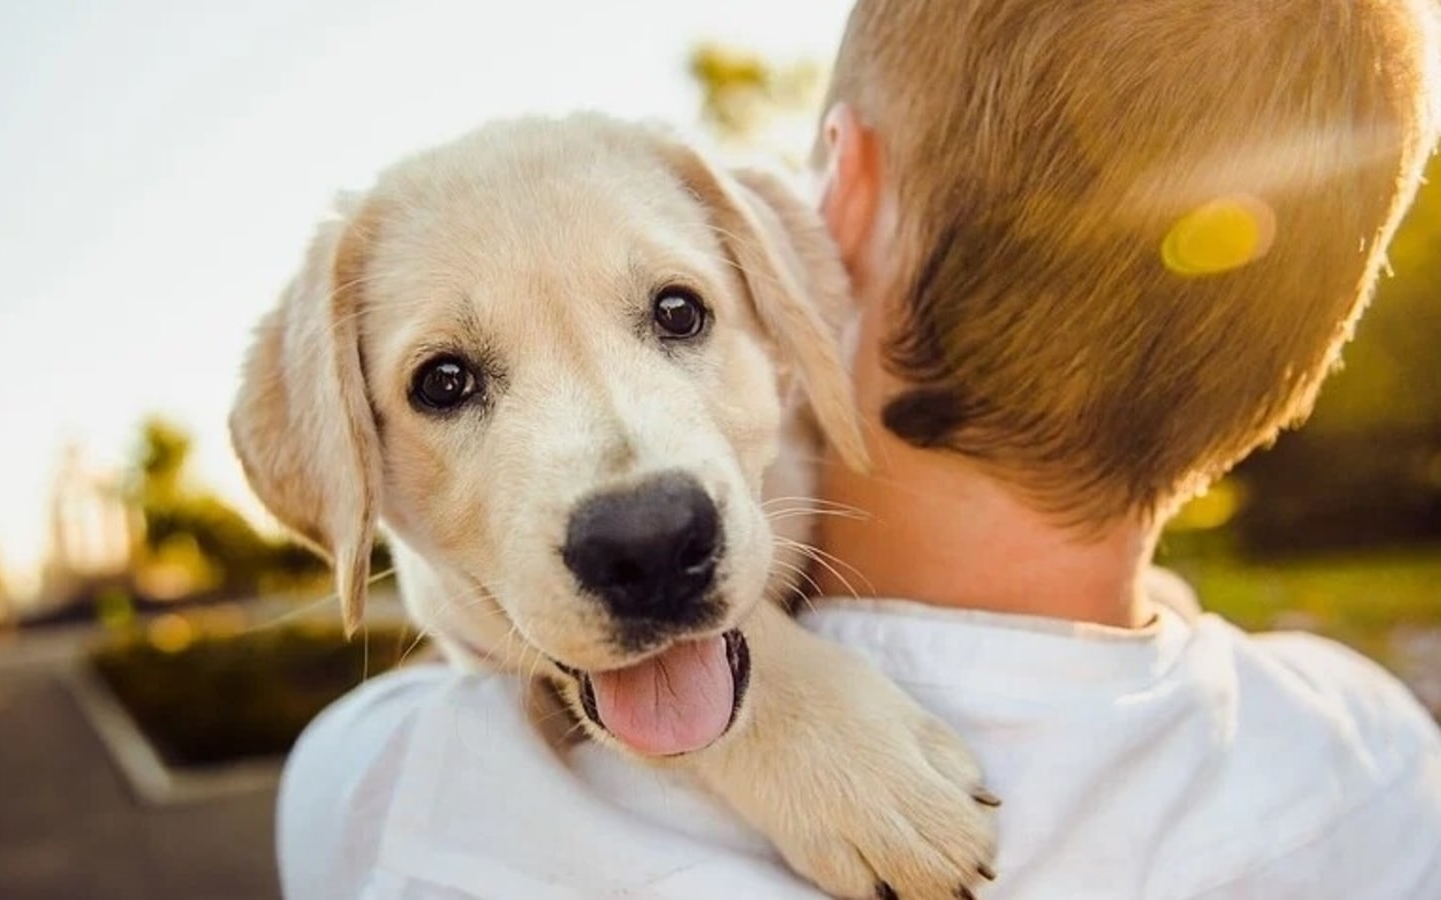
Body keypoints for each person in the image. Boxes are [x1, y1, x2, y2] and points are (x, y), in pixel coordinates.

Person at [276, 0, 1441, 897]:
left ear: (835, 207)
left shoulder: (393, 799)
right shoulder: (1381, 761)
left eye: (675, 316)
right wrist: (765, 697)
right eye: (449, 382)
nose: (629, 504)